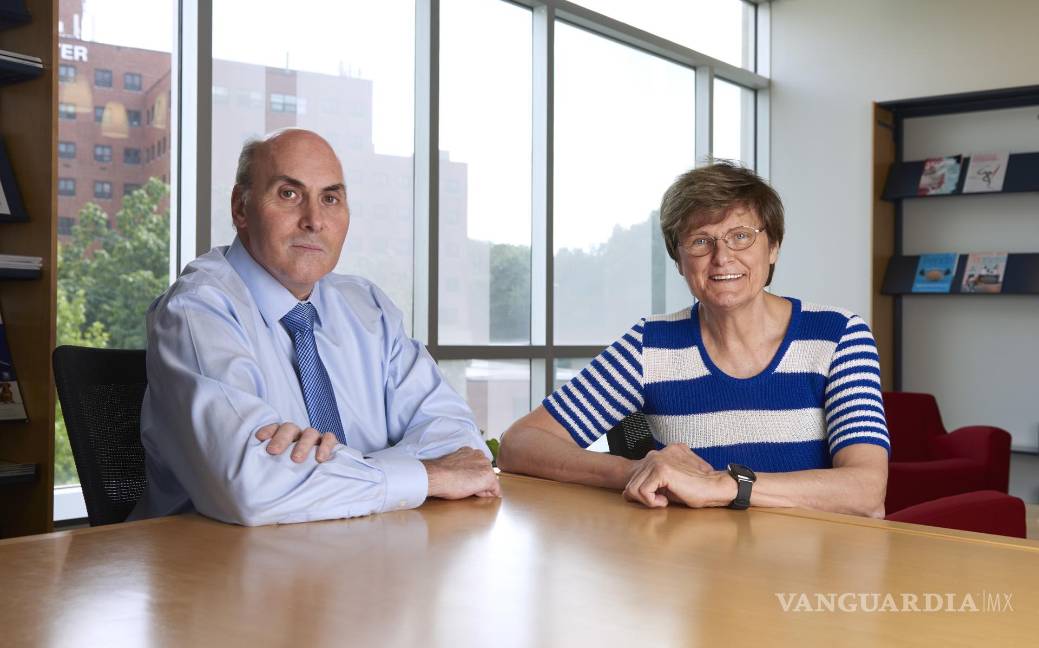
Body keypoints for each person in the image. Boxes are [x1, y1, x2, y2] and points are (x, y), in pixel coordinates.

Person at [130, 128, 498, 526]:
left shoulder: (368, 307)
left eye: (330, 198)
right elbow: (253, 488)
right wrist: (426, 475)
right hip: (216, 556)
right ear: (241, 207)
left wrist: (326, 471)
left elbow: (460, 441)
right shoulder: (196, 310)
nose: (314, 220)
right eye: (289, 194)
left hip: (366, 546)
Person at [498, 161, 889, 517]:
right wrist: (637, 470)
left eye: (741, 236)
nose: (722, 257)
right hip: (692, 563)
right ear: (679, 260)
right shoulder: (650, 346)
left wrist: (726, 485)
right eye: (701, 241)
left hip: (811, 565)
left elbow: (866, 491)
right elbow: (520, 443)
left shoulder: (839, 335)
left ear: (773, 248)